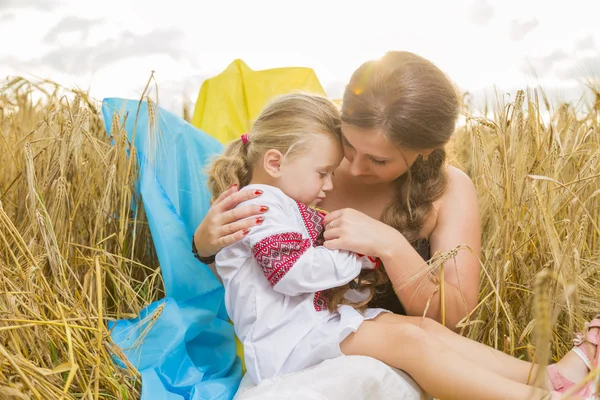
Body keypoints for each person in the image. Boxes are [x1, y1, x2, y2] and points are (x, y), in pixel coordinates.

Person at [203, 92, 599, 400]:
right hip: (289, 342)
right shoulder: (261, 203)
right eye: (324, 172)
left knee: (423, 329)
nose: (333, 182)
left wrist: (375, 245)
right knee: (411, 342)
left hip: (309, 327)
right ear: (274, 162)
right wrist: (354, 256)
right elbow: (289, 273)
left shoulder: (281, 199)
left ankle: (549, 379)